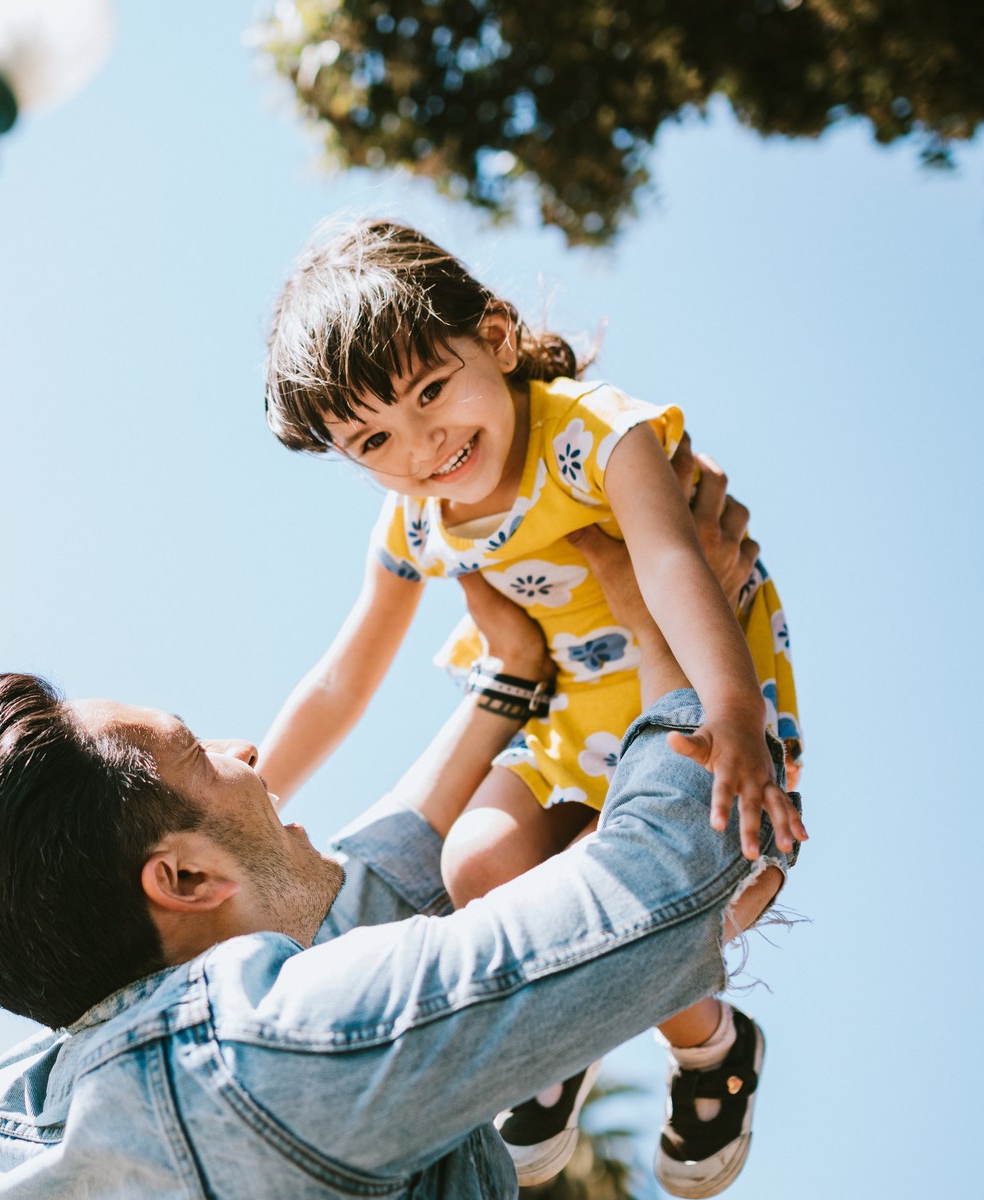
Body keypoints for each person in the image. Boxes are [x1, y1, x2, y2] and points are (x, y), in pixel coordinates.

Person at [0, 460, 802, 1199]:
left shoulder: (21, 1114)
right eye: (193, 750)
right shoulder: (271, 1066)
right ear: (179, 881)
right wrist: (665, 628)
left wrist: (511, 681)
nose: (244, 748)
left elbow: (360, 897)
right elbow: (662, 888)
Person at [257, 219, 805, 1191]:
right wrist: (254, 808)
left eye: (432, 390)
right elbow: (342, 681)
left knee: (631, 882)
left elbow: (677, 564)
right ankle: (565, 1031)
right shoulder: (415, 525)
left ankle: (714, 1049)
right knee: (476, 858)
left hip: (679, 673)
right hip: (568, 712)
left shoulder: (595, 435)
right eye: (374, 437)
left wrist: (727, 708)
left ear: (498, 338)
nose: (424, 445)